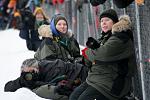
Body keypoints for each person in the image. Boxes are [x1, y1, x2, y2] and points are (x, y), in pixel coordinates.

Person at [69, 9, 136, 100]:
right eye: (101, 21)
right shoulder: (104, 38)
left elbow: (102, 55)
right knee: (73, 97)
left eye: (107, 20)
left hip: (111, 83)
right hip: (95, 79)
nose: (103, 23)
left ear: (115, 22)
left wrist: (87, 52)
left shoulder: (121, 37)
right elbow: (88, 61)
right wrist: (91, 55)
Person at [4, 58, 88, 100]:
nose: (30, 75)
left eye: (32, 71)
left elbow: (59, 87)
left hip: (82, 74)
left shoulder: (51, 70)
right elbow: (7, 87)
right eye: (26, 73)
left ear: (38, 68)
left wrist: (35, 83)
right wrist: (21, 81)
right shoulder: (28, 75)